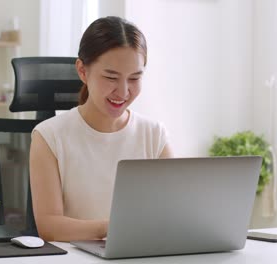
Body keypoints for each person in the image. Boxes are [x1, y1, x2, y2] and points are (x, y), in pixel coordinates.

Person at [29, 16, 174, 242]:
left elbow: (175, 210)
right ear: (82, 71)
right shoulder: (49, 136)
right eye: (111, 77)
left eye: (135, 78)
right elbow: (49, 226)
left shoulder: (154, 134)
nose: (123, 92)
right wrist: (113, 227)